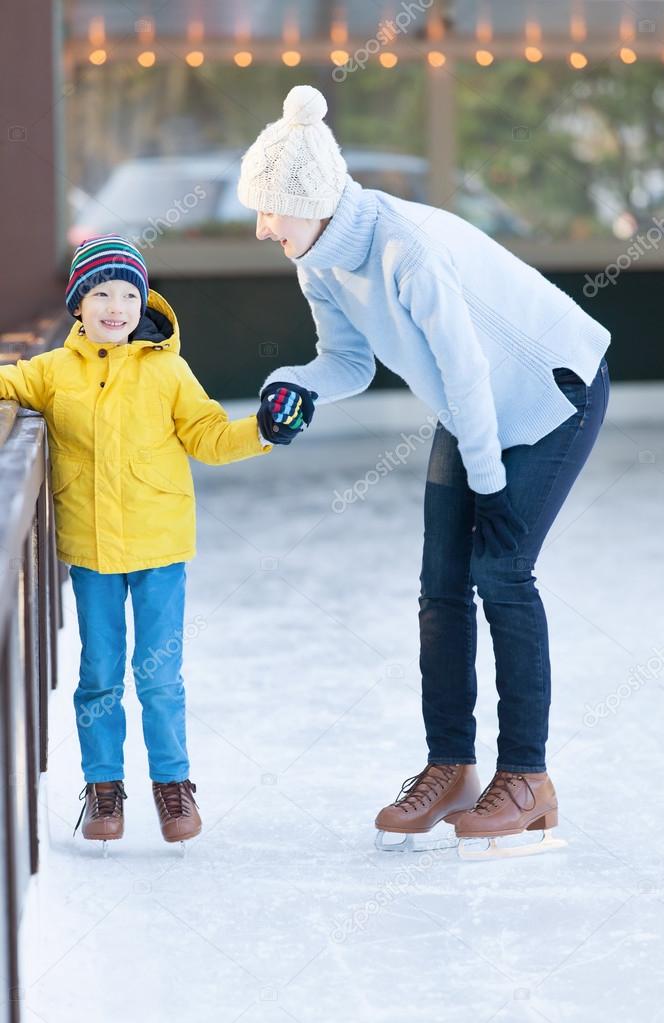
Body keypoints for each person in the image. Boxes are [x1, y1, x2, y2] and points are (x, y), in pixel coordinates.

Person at [240, 85, 611, 857]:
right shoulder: (319, 259)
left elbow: (469, 371)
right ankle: (453, 764)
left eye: (269, 209)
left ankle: (529, 778)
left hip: (551, 391)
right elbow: (346, 360)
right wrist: (295, 382)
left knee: (502, 571)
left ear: (308, 200)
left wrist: (491, 483)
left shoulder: (405, 248)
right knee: (442, 582)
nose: (260, 226)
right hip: (475, 407)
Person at [0, 235, 311, 849]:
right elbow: (8, 385)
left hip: (160, 549)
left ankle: (173, 787)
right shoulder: (53, 371)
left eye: (128, 293)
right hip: (91, 553)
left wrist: (266, 429)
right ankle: (103, 790)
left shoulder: (168, 370)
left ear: (143, 303)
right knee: (99, 676)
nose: (115, 305)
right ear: (78, 305)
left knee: (160, 676)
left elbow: (210, 435)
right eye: (100, 292)